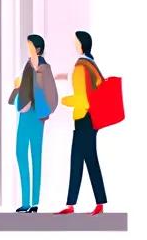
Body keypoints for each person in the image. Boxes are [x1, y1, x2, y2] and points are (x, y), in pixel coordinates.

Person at [57, 30, 107, 215]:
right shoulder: (91, 64)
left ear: (81, 44)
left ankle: (78, 205)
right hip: (92, 120)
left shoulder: (80, 67)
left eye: (75, 42)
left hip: (83, 119)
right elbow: (97, 88)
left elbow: (83, 100)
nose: (74, 45)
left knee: (82, 161)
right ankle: (77, 204)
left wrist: (64, 100)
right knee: (82, 160)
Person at [7, 34, 57, 213]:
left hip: (34, 116)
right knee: (24, 154)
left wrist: (26, 100)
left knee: (34, 156)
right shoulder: (30, 64)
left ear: (37, 49)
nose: (27, 48)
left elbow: (40, 88)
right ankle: (28, 201)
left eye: (29, 45)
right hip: (28, 115)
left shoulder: (40, 66)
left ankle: (33, 202)